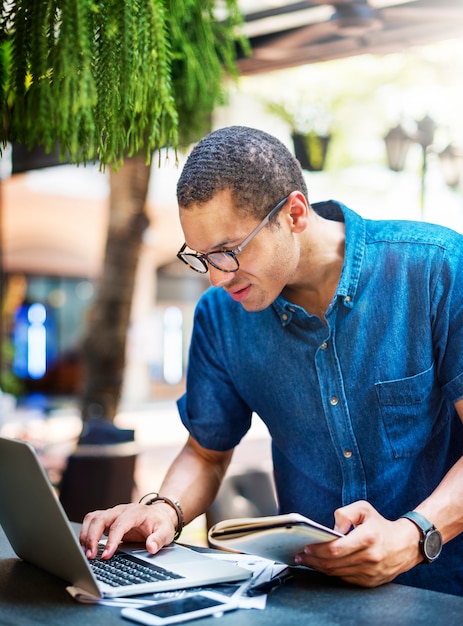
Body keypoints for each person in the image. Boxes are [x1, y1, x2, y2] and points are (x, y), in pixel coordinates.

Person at [80, 125, 463, 596]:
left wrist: (415, 534)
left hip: (445, 593)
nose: (218, 280)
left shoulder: (437, 269)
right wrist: (163, 509)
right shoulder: (221, 318)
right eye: (201, 258)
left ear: (294, 213)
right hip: (310, 597)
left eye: (228, 252)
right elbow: (206, 451)